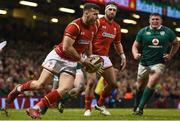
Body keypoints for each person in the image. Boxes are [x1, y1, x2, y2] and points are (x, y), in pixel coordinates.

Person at [6, 3, 100, 119]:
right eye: (95, 14)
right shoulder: (74, 26)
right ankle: (18, 89)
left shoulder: (94, 27)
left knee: (65, 88)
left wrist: (90, 57)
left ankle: (36, 108)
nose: (97, 17)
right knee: (40, 85)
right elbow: (66, 47)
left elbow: (88, 42)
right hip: (58, 57)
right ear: (86, 13)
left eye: (98, 14)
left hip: (71, 62)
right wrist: (82, 60)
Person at [132, 13, 179, 115]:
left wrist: (170, 55)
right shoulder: (143, 31)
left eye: (157, 19)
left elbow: (176, 43)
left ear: (161, 21)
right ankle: (136, 105)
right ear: (149, 21)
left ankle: (140, 108)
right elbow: (135, 46)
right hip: (144, 63)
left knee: (153, 81)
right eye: (153, 19)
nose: (155, 21)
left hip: (159, 63)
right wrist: (135, 54)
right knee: (140, 86)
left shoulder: (168, 32)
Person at [84, 2, 126, 116]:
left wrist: (122, 55)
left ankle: (100, 104)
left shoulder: (117, 27)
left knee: (113, 83)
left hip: (104, 57)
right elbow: (89, 37)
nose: (112, 11)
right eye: (110, 9)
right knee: (91, 82)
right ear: (106, 10)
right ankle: (88, 108)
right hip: (91, 54)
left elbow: (117, 43)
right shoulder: (98, 21)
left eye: (114, 10)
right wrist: (90, 55)